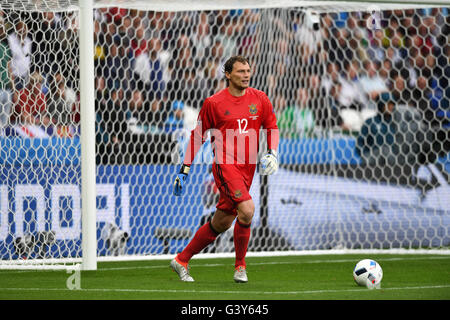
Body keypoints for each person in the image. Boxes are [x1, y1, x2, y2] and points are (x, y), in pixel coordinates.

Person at [171, 56, 279, 283]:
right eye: (240, 71)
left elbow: (271, 126)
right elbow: (198, 135)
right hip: (224, 165)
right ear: (228, 74)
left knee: (221, 222)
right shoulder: (214, 103)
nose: (246, 74)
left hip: (247, 169)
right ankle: (240, 267)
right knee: (248, 210)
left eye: (248, 70)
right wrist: (185, 168)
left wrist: (272, 151)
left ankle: (181, 259)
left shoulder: (260, 99)